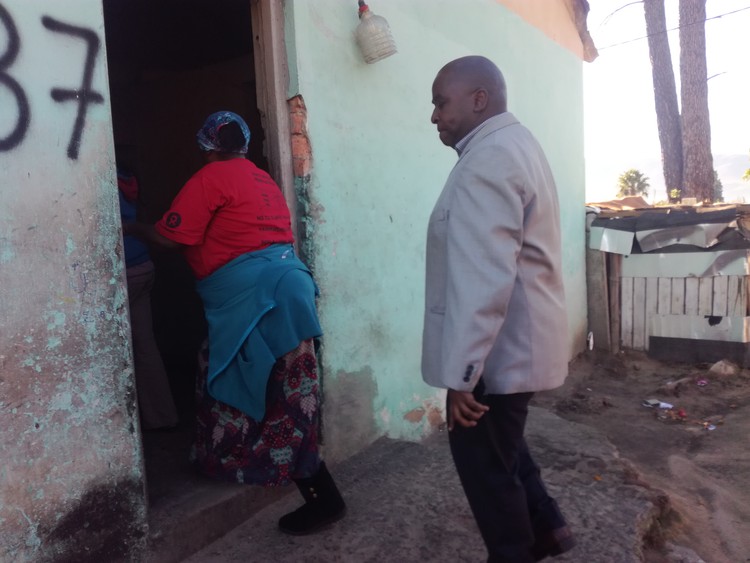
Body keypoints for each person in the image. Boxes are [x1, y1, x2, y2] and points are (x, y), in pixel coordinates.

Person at [125, 111, 345, 535]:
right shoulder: (262, 179)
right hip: (288, 293)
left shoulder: (208, 179)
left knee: (277, 398)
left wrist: (132, 227)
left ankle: (324, 498)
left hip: (258, 302)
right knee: (274, 386)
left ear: (206, 145)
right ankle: (228, 464)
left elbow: (172, 238)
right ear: (242, 144)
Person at [421, 56, 576, 562]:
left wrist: (463, 375)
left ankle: (515, 552)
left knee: (486, 469)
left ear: (478, 99)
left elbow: (483, 278)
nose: (434, 116)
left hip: (495, 351)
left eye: (441, 102)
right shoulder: (514, 144)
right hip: (514, 344)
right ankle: (548, 527)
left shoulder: (489, 159)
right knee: (504, 446)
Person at [117, 150, 179, 431]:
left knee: (115, 350)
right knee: (145, 345)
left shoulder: (105, 184)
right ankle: (163, 417)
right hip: (144, 268)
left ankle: (121, 431)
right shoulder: (130, 183)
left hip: (124, 273)